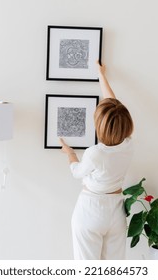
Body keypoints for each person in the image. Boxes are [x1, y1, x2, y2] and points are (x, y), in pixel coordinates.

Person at [59, 62, 135, 260]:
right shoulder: (127, 145)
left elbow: (77, 172)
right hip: (116, 211)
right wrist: (101, 76)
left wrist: (70, 153)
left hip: (90, 210)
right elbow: (113, 104)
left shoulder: (95, 153)